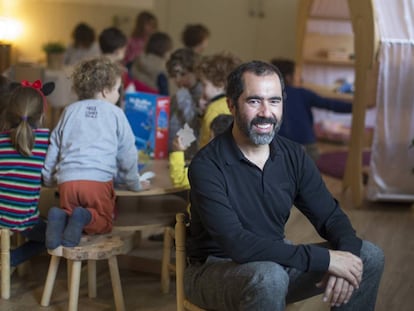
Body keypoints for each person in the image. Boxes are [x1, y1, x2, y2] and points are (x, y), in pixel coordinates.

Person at [185, 61, 384, 311]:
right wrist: (328, 259)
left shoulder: (294, 155)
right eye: (254, 101)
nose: (266, 112)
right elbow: (236, 243)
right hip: (213, 270)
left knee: (368, 257)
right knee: (269, 277)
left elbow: (331, 217)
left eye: (275, 101)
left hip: (275, 261)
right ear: (231, 105)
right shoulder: (207, 165)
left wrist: (347, 257)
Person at [42, 57, 148, 250]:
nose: (118, 94)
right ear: (105, 91)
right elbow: (128, 153)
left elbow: (54, 145)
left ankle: (61, 215)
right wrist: (135, 183)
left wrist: (48, 178)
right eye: (117, 89)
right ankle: (85, 216)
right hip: (97, 182)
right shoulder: (116, 113)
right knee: (104, 222)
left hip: (68, 181)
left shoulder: (69, 111)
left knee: (71, 211)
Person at [0, 80, 55, 268]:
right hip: (24, 220)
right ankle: (10, 259)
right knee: (51, 236)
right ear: (40, 116)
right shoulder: (44, 141)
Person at [271, 58, 353, 161]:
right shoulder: (302, 93)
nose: (301, 78)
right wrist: (355, 107)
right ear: (288, 78)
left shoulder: (269, 96)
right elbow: (330, 104)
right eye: (298, 75)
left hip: (279, 148)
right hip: (307, 148)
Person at [169, 113, 233, 188]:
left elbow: (179, 181)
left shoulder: (212, 168)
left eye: (210, 137)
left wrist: (177, 151)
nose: (208, 141)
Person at [98, 26, 158, 103]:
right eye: (124, 49)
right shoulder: (120, 70)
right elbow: (131, 89)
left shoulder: (92, 67)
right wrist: (155, 93)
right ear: (118, 51)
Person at [195, 52, 241, 147]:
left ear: (220, 83)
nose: (202, 90)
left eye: (204, 85)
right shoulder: (234, 104)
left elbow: (205, 136)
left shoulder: (214, 108)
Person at [166, 48, 203, 158]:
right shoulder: (179, 95)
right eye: (174, 75)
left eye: (183, 74)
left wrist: (179, 144)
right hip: (174, 151)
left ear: (195, 72)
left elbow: (195, 126)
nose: (178, 79)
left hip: (189, 154)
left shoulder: (202, 94)